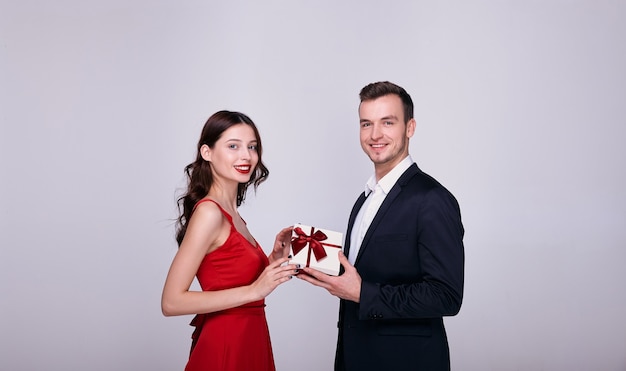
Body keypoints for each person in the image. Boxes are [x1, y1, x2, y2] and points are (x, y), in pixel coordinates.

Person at [298, 81, 465, 370]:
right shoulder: (364, 198)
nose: (375, 135)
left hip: (407, 361)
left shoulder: (433, 199)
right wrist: (307, 254)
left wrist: (363, 293)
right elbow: (365, 269)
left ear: (410, 127)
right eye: (366, 124)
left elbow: (446, 296)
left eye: (387, 122)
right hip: (355, 358)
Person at [161, 110, 298, 371]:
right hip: (226, 343)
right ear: (207, 152)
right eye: (233, 146)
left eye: (252, 147)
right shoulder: (210, 212)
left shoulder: (232, 213)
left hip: (250, 337)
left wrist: (273, 260)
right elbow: (171, 301)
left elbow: (228, 275)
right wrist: (255, 290)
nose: (246, 156)